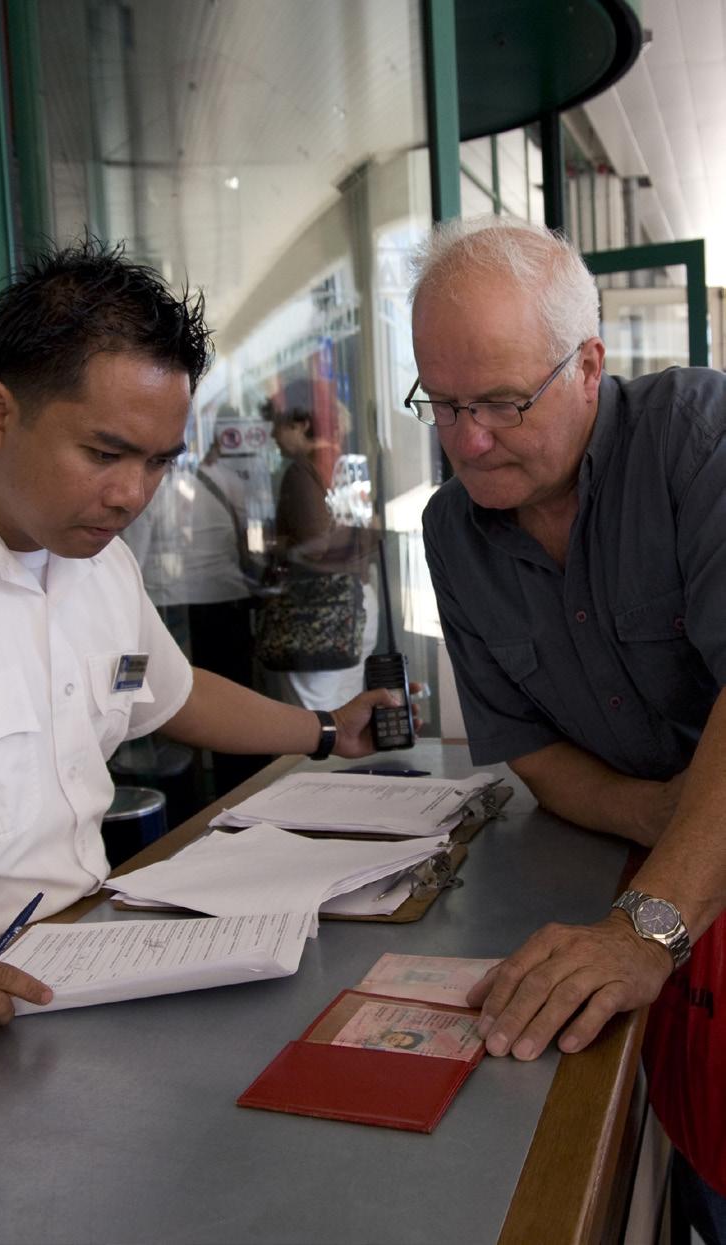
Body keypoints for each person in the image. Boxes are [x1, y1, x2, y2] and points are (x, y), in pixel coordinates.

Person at [0, 239, 409, 1057]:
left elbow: (171, 693)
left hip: (78, 967)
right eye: (104, 454)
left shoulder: (96, 562)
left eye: (156, 462)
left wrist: (329, 734)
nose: (130, 496)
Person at [411, 214, 726, 1236]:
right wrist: (664, 815)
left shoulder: (695, 437)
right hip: (657, 886)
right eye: (443, 403)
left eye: (501, 401)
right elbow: (534, 754)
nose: (467, 440)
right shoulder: (449, 531)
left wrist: (649, 924)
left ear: (588, 365)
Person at [124, 410, 269, 794]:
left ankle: (191, 801)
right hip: (228, 602)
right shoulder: (226, 482)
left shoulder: (149, 490)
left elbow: (128, 565)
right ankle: (245, 799)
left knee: (178, 712)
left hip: (176, 610)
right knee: (233, 714)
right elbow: (246, 541)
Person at [260, 378, 379, 710]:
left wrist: (274, 545)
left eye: (276, 425)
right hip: (359, 601)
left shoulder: (301, 472)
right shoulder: (346, 465)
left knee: (311, 728)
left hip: (317, 612)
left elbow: (314, 545)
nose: (272, 436)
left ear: (301, 423)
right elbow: (370, 531)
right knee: (347, 720)